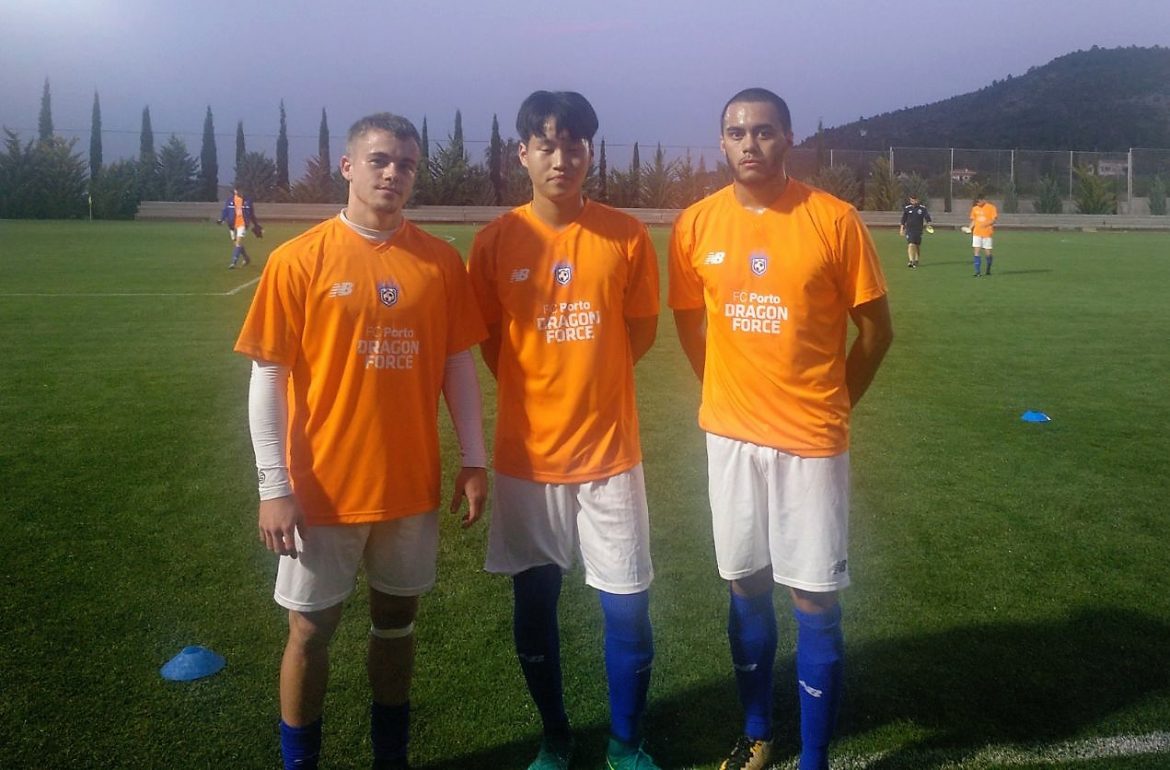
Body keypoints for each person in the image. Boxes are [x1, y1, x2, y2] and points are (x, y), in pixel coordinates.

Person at [234, 113, 488, 770]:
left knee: (396, 625)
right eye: (379, 160)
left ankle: (390, 757)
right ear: (348, 167)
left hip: (408, 485)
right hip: (321, 489)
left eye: (406, 164)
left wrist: (474, 458)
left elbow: (457, 363)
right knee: (310, 630)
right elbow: (268, 376)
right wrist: (273, 486)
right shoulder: (299, 259)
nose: (393, 174)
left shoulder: (439, 261)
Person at [668, 88, 893, 770]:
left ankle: (815, 756)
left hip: (810, 440)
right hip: (731, 437)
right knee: (745, 584)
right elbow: (689, 323)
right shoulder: (695, 225)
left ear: (788, 137)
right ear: (721, 142)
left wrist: (835, 401)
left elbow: (876, 332)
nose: (750, 143)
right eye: (736, 132)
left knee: (813, 594)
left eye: (763, 131)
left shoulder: (834, 220)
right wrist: (723, 390)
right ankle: (758, 733)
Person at [466, 90, 661, 770]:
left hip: (611, 452)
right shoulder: (494, 242)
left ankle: (626, 744)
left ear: (589, 153)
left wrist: (591, 378)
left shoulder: (625, 236)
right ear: (522, 154)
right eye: (546, 145)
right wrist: (541, 386)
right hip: (528, 458)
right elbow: (490, 342)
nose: (560, 158)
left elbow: (640, 331)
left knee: (627, 605)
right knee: (535, 601)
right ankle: (555, 737)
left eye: (573, 145)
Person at [217, 186, 262, 269]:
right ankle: (246, 258)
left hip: (243, 224)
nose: (240, 192)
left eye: (241, 190)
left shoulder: (248, 201)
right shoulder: (230, 200)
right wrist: (221, 219)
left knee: (238, 243)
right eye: (238, 190)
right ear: (235, 191)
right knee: (237, 244)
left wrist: (256, 225)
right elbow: (225, 211)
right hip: (232, 225)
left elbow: (252, 214)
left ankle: (233, 262)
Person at [899, 193, 932, 268]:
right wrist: (901, 229)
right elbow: (903, 219)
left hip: (918, 230)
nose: (913, 201)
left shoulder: (922, 208)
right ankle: (911, 261)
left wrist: (928, 225)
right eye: (912, 200)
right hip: (909, 230)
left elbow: (927, 217)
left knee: (917, 245)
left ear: (917, 200)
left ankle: (916, 260)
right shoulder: (907, 208)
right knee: (911, 244)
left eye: (914, 200)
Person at [969, 193, 998, 277]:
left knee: (988, 253)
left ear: (983, 200)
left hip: (987, 234)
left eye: (979, 202)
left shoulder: (991, 207)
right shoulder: (974, 208)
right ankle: (977, 272)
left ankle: (988, 269)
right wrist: (969, 228)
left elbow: (994, 220)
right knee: (976, 252)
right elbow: (974, 220)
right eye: (976, 202)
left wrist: (985, 224)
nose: (977, 203)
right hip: (976, 233)